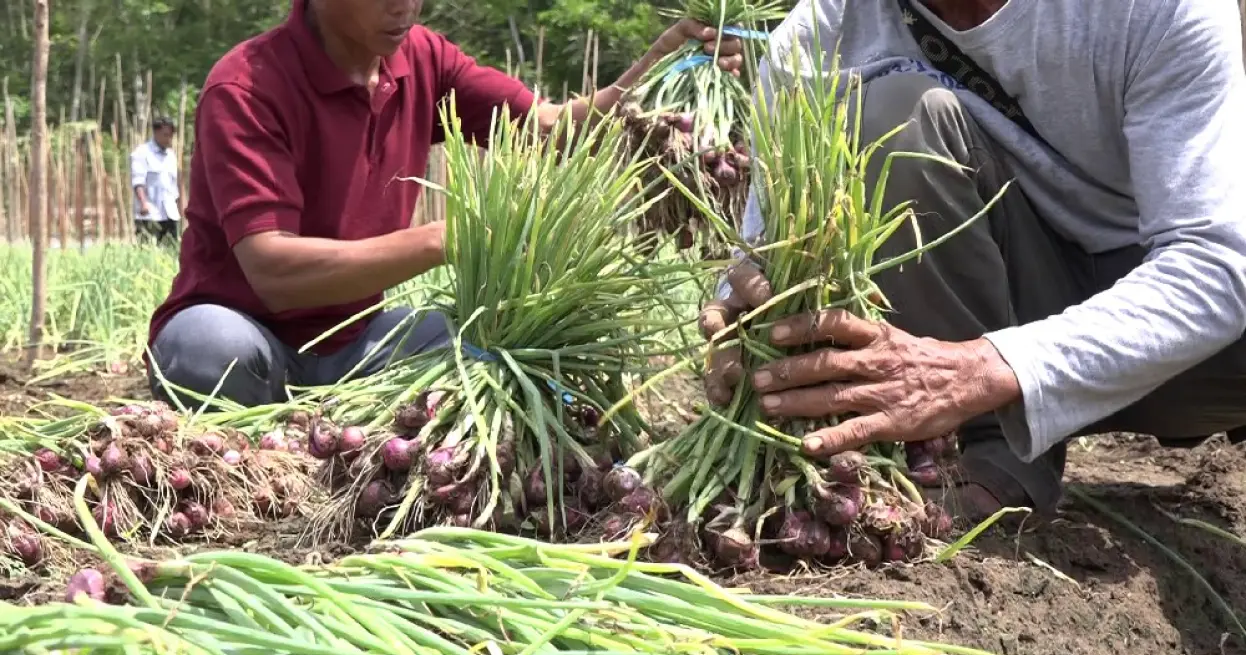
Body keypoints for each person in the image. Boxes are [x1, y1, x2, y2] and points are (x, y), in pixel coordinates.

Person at [700, 0, 1246, 523]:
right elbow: (761, 251)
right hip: (998, 290)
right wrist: (749, 321)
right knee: (891, 116)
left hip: (1185, 349)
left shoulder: (1155, 8)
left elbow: (1216, 264)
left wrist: (985, 369)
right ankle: (987, 456)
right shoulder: (813, 41)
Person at [146, 0, 744, 408]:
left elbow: (550, 127)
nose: (405, 3)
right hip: (248, 333)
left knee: (482, 354)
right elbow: (274, 272)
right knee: (206, 350)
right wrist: (447, 237)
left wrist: (663, 67)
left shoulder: (422, 60)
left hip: (356, 341)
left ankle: (332, 424)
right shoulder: (248, 86)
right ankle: (284, 428)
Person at [129, 116, 182, 246]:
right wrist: (143, 203)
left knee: (172, 251)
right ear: (156, 133)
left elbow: (173, 185)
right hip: (149, 214)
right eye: (165, 135)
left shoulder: (171, 155)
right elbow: (138, 181)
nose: (169, 139)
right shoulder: (141, 153)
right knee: (147, 252)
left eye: (171, 135)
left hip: (170, 213)